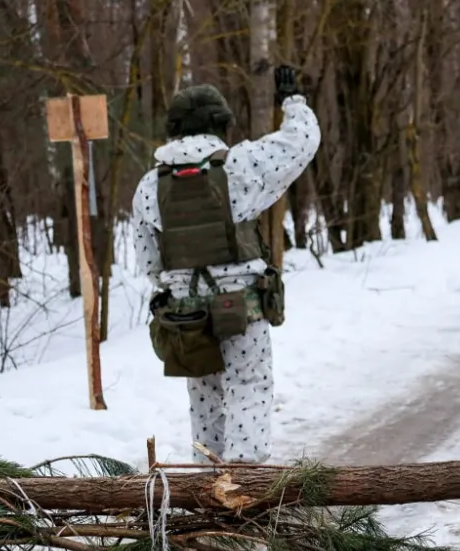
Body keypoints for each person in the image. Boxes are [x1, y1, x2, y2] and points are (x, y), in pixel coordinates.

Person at [132, 66, 320, 465]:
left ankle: (207, 484)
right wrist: (293, 101)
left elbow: (149, 263)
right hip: (242, 307)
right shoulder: (240, 165)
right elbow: (300, 142)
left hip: (186, 315)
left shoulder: (149, 186)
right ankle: (243, 482)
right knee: (248, 386)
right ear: (221, 124)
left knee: (204, 399)